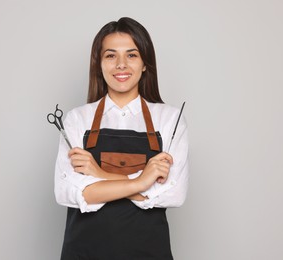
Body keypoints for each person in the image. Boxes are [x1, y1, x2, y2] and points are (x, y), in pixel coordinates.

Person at [54, 17, 189, 260]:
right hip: (84, 253)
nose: (121, 65)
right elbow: (68, 192)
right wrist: (142, 182)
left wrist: (99, 174)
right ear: (99, 64)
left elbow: (173, 194)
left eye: (132, 55)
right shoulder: (77, 119)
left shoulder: (170, 119)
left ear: (145, 63)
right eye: (110, 55)